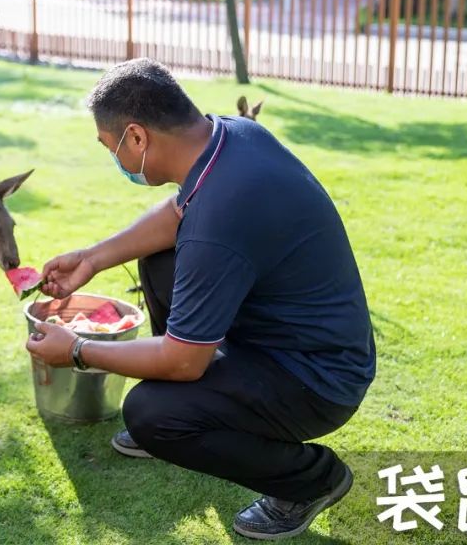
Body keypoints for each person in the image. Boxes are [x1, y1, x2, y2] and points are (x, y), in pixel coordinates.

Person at [25, 59, 376, 540]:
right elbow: (176, 214)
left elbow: (184, 361)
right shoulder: (231, 138)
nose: (115, 160)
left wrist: (78, 351)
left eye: (111, 147)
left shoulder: (218, 220)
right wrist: (92, 258)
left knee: (151, 415)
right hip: (296, 341)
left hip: (318, 381)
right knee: (160, 258)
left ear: (137, 137)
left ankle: (312, 479)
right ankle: (193, 406)